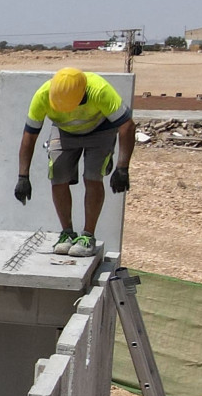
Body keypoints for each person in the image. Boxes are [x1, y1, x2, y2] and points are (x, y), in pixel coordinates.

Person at [14, 67, 135, 257]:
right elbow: (29, 136)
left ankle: (88, 236)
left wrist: (122, 167)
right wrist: (23, 176)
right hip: (64, 131)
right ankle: (67, 233)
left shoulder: (100, 90)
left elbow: (127, 125)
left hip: (100, 130)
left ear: (82, 95)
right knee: (58, 175)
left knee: (92, 176)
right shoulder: (43, 96)